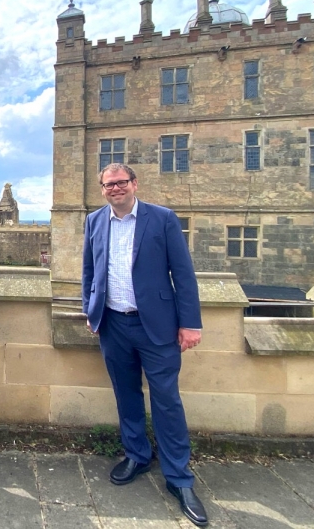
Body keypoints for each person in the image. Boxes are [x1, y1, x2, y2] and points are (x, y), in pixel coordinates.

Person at [82, 163, 208, 527]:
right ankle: (137, 454)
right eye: (109, 184)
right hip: (113, 323)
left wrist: (190, 323)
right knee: (126, 394)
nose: (115, 188)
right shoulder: (94, 221)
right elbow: (89, 269)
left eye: (121, 182)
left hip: (156, 326)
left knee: (167, 400)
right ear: (102, 189)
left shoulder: (162, 218)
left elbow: (183, 273)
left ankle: (179, 478)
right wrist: (90, 310)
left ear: (134, 184)